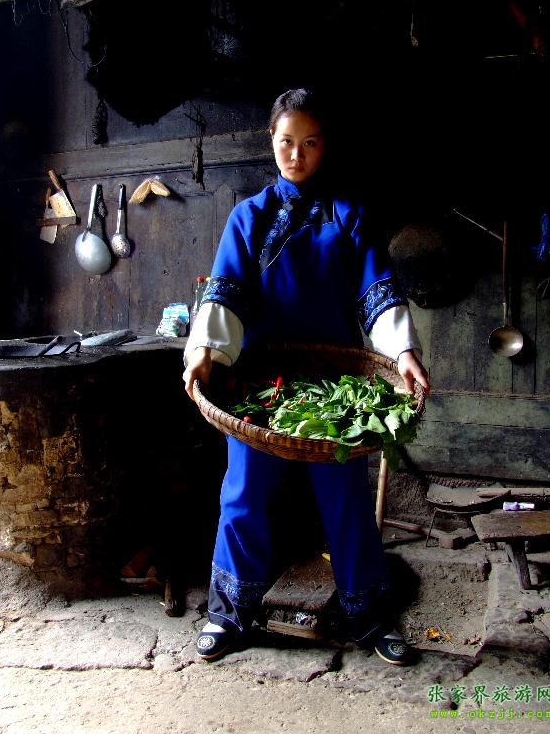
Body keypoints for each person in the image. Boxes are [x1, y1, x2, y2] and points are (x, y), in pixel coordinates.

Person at [183, 87, 430, 666]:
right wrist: (205, 353)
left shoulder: (350, 217)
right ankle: (229, 613)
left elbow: (377, 292)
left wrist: (402, 352)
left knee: (346, 498)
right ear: (271, 141)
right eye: (287, 142)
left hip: (335, 386)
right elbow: (226, 293)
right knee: (244, 493)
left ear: (324, 147)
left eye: (310, 143)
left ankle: (370, 615)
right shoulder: (248, 217)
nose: (297, 155)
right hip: (261, 388)